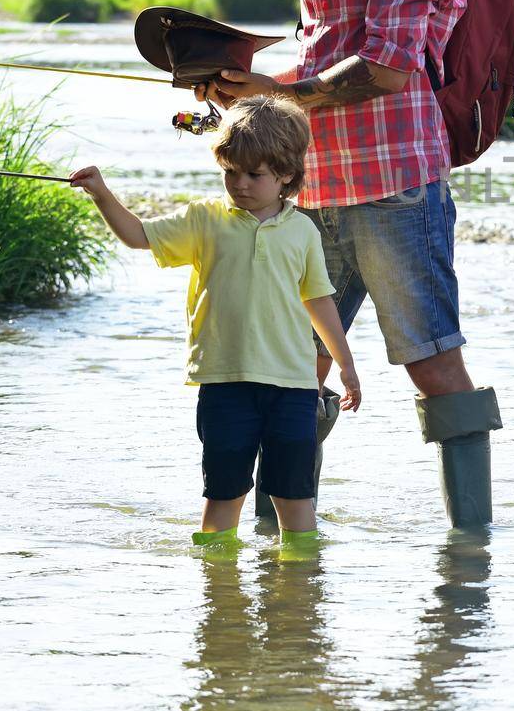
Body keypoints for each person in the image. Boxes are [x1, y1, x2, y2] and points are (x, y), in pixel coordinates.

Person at [194, 0, 501, 529]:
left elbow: (387, 68)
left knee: (431, 360)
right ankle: (281, 537)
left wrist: (276, 94)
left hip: (396, 188)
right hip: (314, 187)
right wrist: (242, 102)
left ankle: (471, 545)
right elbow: (321, 53)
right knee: (290, 366)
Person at [69, 96, 360, 552]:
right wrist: (102, 193)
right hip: (225, 383)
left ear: (286, 175)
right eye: (230, 172)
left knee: (295, 496)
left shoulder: (303, 231)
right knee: (223, 492)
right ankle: (218, 600)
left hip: (293, 385)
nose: (239, 184)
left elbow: (320, 301)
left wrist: (345, 365)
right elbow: (138, 236)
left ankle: (299, 601)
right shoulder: (204, 219)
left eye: (253, 174)